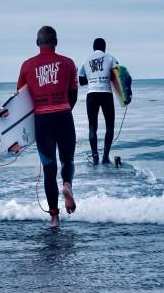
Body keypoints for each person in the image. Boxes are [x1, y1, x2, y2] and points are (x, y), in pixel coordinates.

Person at [17, 26, 78, 227]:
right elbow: (73, 96)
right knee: (67, 159)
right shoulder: (68, 63)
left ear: (37, 43)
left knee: (49, 168)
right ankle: (67, 185)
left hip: (42, 121)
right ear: (56, 41)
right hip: (64, 117)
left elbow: (22, 102)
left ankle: (54, 217)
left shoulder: (27, 66)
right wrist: (64, 110)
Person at [78, 38, 119, 165]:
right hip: (106, 93)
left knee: (92, 127)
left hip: (92, 94)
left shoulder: (86, 60)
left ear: (93, 48)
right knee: (110, 126)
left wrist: (92, 79)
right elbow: (119, 76)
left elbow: (81, 80)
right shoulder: (111, 58)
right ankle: (105, 157)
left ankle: (95, 156)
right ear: (104, 47)